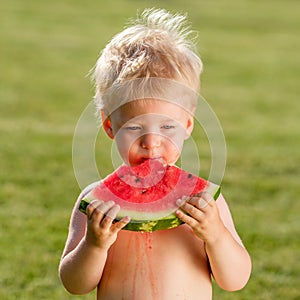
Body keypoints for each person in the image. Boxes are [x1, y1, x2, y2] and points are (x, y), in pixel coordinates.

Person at [59, 8, 251, 299]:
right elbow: (75, 284)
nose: (151, 141)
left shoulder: (204, 203)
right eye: (135, 127)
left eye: (166, 126)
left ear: (187, 125)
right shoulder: (96, 202)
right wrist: (94, 245)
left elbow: (235, 280)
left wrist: (215, 235)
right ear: (110, 126)